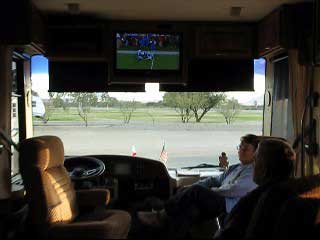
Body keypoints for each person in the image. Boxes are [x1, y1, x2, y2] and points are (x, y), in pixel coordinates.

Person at [137, 134, 260, 239]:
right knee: (191, 209)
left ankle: (161, 215)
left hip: (229, 205)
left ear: (255, 153)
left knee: (197, 191)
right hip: (220, 199)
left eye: (246, 149)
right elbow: (215, 179)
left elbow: (234, 190)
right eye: (240, 147)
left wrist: (207, 191)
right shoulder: (236, 167)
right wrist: (192, 186)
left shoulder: (253, 171)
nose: (241, 151)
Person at [213, 138, 295, 240]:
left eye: (255, 161)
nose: (252, 167)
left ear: (264, 168)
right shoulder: (292, 194)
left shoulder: (252, 201)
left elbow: (227, 235)